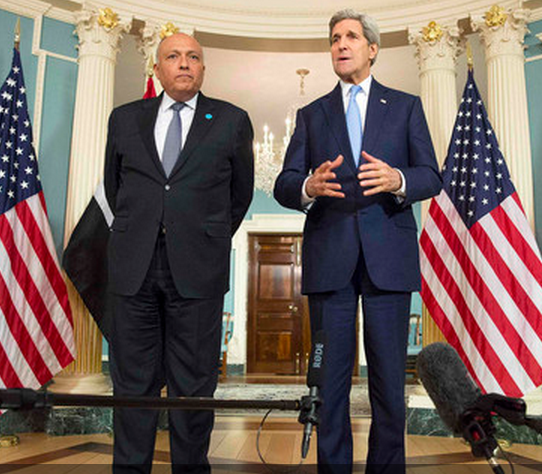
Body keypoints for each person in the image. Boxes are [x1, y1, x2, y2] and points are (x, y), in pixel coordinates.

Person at [274, 9, 442, 474]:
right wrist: (307, 187)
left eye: (350, 36)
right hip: (330, 258)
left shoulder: (405, 106)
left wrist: (398, 179)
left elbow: (431, 175)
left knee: (388, 380)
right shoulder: (312, 114)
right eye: (334, 38)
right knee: (329, 382)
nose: (340, 44)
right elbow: (284, 182)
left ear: (372, 49)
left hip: (389, 257)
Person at [104, 33, 254, 474]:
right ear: (158, 68)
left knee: (194, 385)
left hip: (198, 270)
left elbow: (240, 195)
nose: (184, 63)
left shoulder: (230, 120)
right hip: (133, 268)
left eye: (193, 57)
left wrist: (203, 236)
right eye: (173, 56)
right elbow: (114, 188)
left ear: (203, 68)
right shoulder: (124, 118)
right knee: (132, 384)